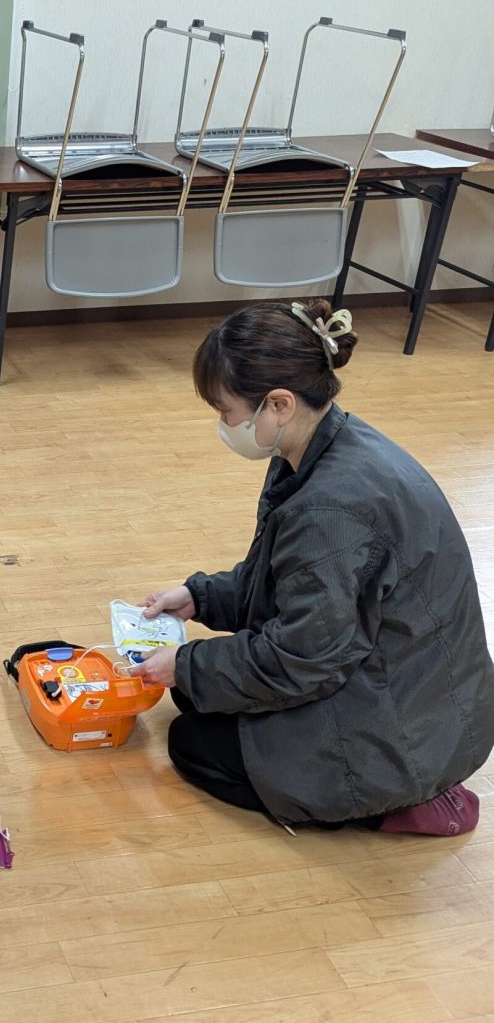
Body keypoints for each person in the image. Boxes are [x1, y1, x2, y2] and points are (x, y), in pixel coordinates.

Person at [132, 299, 494, 835]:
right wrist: (200, 598)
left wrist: (188, 664)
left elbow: (304, 659)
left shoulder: (328, 508)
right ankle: (399, 780)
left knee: (193, 743)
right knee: (193, 689)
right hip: (417, 688)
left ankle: (399, 804)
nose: (224, 424)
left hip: (407, 726)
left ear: (278, 404)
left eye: (226, 410)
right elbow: (291, 583)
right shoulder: (328, 443)